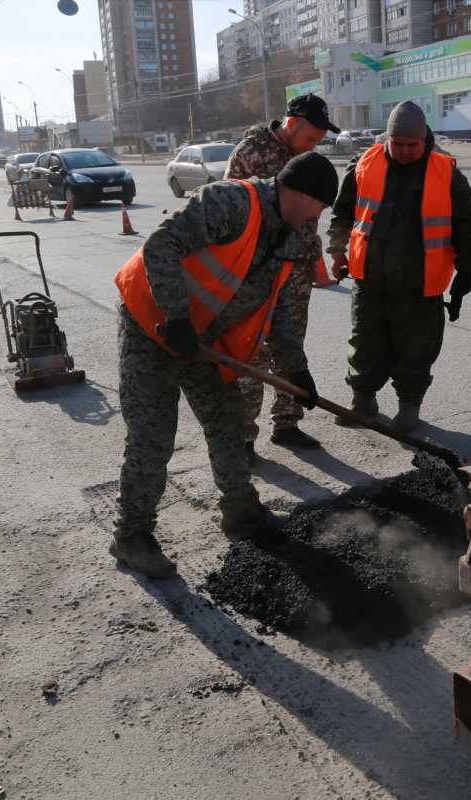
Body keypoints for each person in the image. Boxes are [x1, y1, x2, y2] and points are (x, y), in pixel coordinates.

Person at [110, 152, 338, 579]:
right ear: (301, 194)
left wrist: (296, 372)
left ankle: (240, 513)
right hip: (151, 322)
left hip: (201, 340)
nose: (318, 217)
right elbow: (162, 244)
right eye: (319, 207)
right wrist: (176, 317)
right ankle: (132, 536)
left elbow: (284, 319)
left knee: (228, 422)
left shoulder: (291, 241)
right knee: (154, 434)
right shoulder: (232, 203)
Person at [326, 100, 471, 434]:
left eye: (412, 145)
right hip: (370, 279)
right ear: (388, 138)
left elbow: (467, 225)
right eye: (397, 144)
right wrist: (337, 251)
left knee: (416, 350)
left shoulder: (446, 172)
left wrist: (466, 272)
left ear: (424, 139)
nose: (405, 151)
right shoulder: (364, 163)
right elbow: (343, 214)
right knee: (365, 343)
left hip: (420, 283)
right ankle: (362, 402)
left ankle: (409, 409)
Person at [224, 93, 340, 462]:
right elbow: (233, 210)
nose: (314, 146)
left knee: (291, 345)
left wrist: (316, 266)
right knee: (253, 352)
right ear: (292, 123)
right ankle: (242, 436)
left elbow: (313, 220)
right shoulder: (251, 152)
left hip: (298, 269)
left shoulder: (305, 159)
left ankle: (287, 422)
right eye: (311, 137)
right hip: (259, 269)